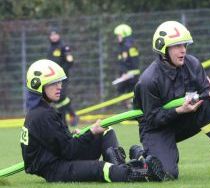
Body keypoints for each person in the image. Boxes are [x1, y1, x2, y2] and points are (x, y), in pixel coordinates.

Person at [132, 21, 210, 180]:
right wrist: (179, 110)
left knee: (208, 107)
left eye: (184, 45)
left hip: (182, 119)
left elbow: (205, 91)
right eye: (177, 46)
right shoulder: (148, 80)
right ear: (163, 49)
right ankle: (140, 156)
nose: (183, 50)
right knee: (167, 174)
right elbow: (151, 119)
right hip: (155, 129)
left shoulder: (193, 64)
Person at [20, 59, 166, 183]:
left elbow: (58, 142)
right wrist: (90, 132)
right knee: (101, 168)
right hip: (56, 168)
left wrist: (77, 135)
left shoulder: (41, 112)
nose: (59, 86)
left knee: (105, 131)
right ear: (37, 85)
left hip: (61, 158)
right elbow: (69, 151)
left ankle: (123, 166)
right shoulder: (42, 115)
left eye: (59, 82)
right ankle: (144, 172)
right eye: (53, 83)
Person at [47, 29, 79, 126]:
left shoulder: (64, 47)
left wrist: (60, 72)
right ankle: (64, 121)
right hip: (52, 78)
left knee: (60, 95)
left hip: (62, 77)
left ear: (59, 35)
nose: (54, 37)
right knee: (57, 98)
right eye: (51, 35)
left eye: (55, 34)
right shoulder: (50, 49)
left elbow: (70, 61)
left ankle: (72, 115)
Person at [113, 24, 140, 108]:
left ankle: (130, 107)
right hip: (133, 74)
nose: (118, 37)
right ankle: (131, 107)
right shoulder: (131, 44)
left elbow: (126, 62)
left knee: (120, 90)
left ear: (124, 34)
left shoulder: (126, 46)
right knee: (131, 93)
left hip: (129, 75)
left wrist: (125, 73)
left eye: (119, 35)